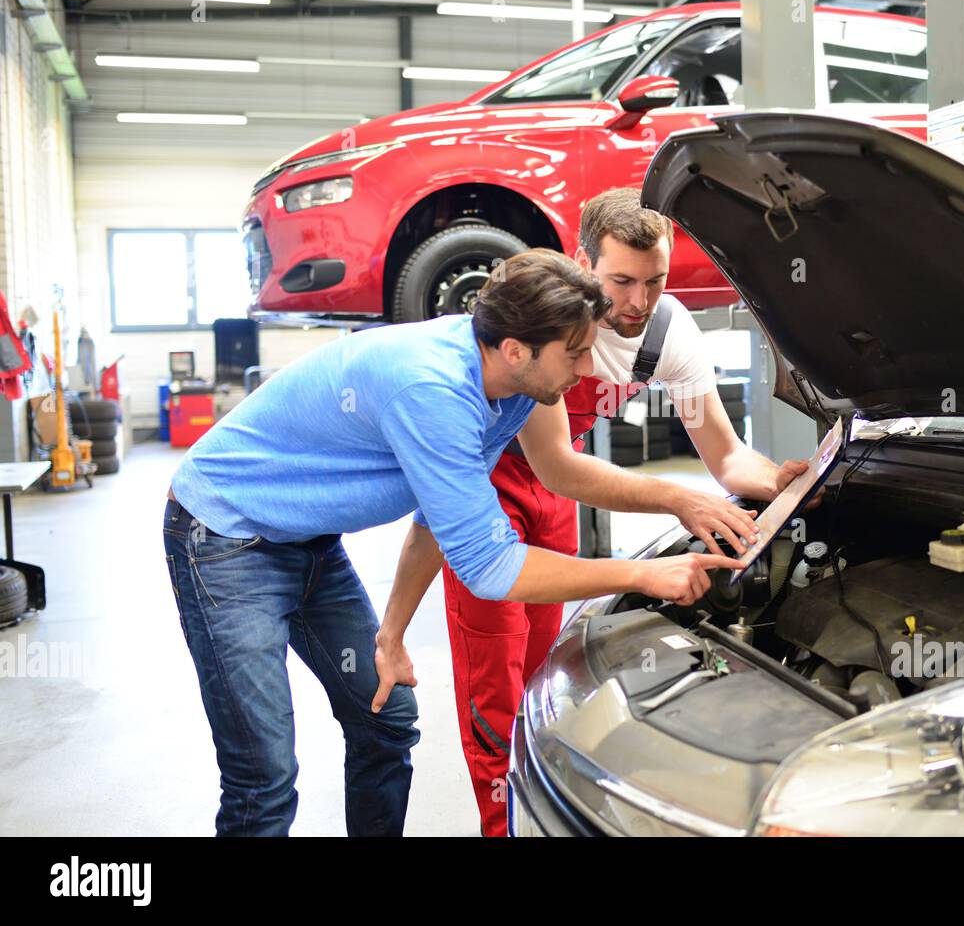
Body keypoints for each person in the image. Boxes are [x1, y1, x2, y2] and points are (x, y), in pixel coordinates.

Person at [162, 248, 746, 836]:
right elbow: (491, 568)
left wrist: (389, 637)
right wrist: (641, 575)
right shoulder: (433, 391)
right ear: (518, 349)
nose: (588, 367)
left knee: (384, 720)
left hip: (307, 539)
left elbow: (435, 523)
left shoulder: (514, 389)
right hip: (224, 538)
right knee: (262, 772)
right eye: (574, 353)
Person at [396, 187, 813, 836]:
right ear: (582, 261)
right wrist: (676, 496)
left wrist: (789, 479)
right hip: (490, 492)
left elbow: (727, 458)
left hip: (558, 495)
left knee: (548, 679)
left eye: (656, 280)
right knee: (496, 693)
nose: (639, 302)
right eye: (621, 280)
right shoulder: (542, 318)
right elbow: (554, 460)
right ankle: (501, 827)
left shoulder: (670, 332)